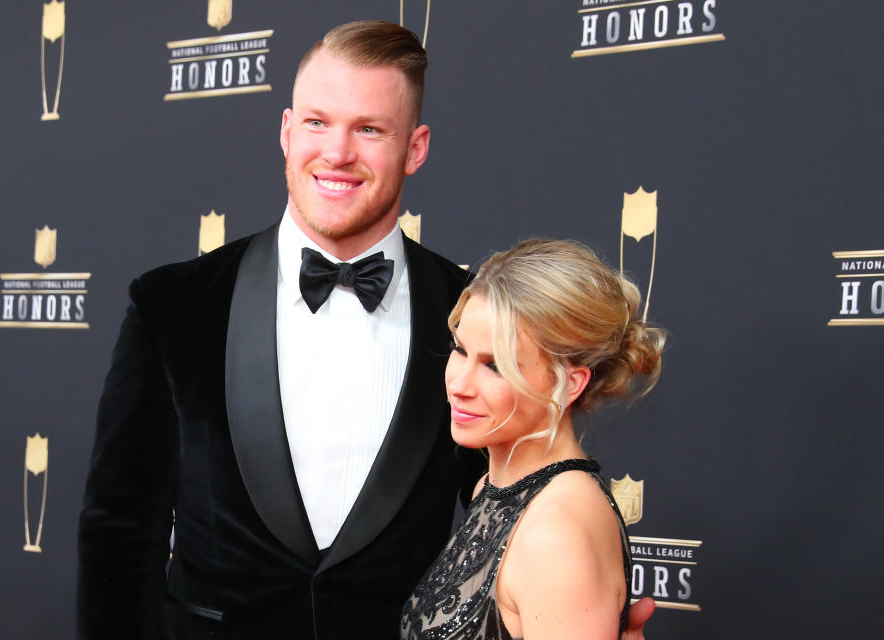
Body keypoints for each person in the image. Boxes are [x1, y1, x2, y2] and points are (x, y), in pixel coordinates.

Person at [77, 20, 654, 640]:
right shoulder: (173, 305)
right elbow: (119, 533)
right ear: (286, 130)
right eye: (318, 122)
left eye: (370, 129)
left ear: (416, 148)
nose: (337, 153)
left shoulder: (471, 318)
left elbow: (515, 504)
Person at [402, 239, 666, 640]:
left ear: (569, 384)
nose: (459, 384)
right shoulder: (492, 488)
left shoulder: (554, 535)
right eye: (460, 350)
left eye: (495, 366)